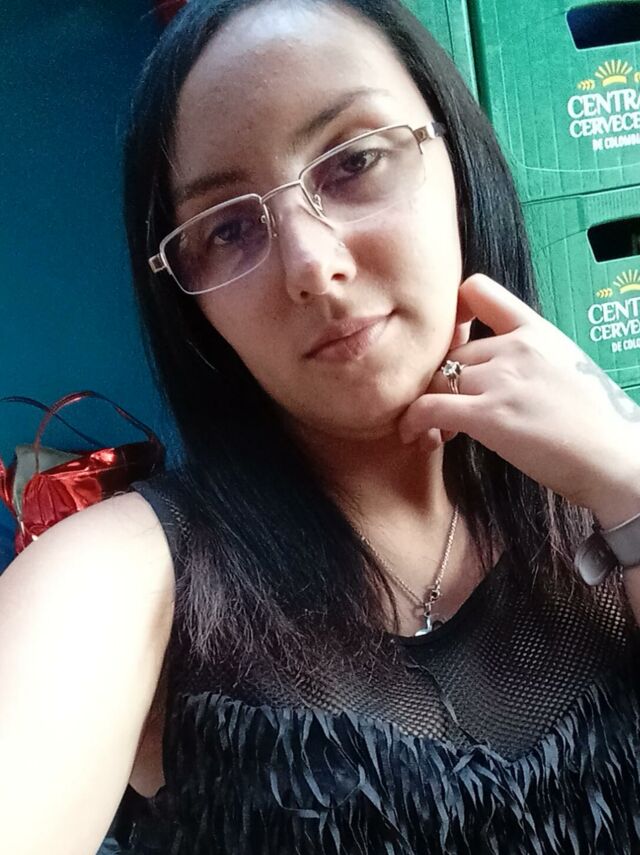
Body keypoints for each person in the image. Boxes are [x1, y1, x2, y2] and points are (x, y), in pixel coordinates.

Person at [2, 0, 639, 852]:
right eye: (229, 228)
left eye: (355, 161)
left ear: (456, 156)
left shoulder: (606, 485)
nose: (311, 264)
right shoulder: (126, 575)